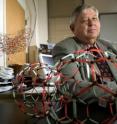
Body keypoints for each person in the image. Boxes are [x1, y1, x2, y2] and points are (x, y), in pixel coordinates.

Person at [52, 4, 117, 123]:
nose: (92, 24)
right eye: (84, 20)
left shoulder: (107, 46)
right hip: (91, 112)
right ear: (73, 28)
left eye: (94, 19)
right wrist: (113, 90)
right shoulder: (64, 48)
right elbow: (72, 86)